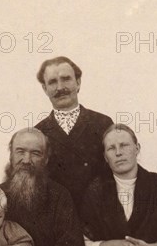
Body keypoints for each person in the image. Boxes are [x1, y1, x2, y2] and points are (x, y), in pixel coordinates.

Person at [35, 56, 113, 207]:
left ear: (78, 82)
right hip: (58, 221)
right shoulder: (38, 133)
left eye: (66, 79)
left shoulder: (103, 123)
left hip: (99, 218)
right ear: (45, 89)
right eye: (52, 82)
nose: (60, 87)